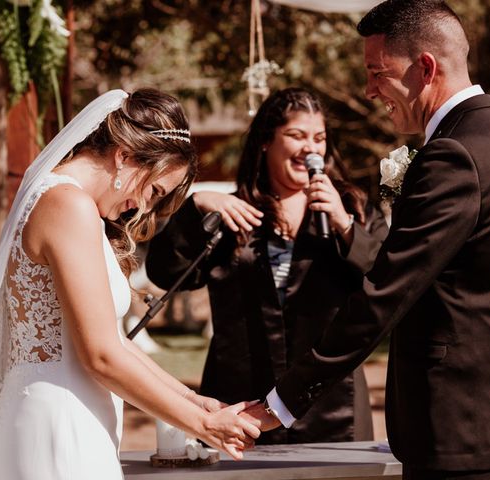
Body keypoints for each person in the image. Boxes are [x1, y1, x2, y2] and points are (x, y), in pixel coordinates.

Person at [243, 1, 490, 479]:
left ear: (425, 68)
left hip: (459, 427)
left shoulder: (454, 155)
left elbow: (383, 294)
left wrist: (280, 404)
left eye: (377, 74)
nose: (369, 91)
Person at [0, 88, 259, 480]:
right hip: (58, 418)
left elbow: (113, 340)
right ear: (124, 155)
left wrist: (193, 400)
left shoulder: (62, 202)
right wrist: (203, 426)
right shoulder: (67, 205)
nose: (143, 208)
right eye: (153, 190)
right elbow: (101, 355)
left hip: (64, 410)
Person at [145, 87, 388, 444]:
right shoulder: (232, 214)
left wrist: (346, 225)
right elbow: (165, 273)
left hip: (331, 406)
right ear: (265, 142)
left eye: (319, 138)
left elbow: (387, 281)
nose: (311, 148)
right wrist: (193, 208)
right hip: (240, 404)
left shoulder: (353, 207)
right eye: (296, 135)